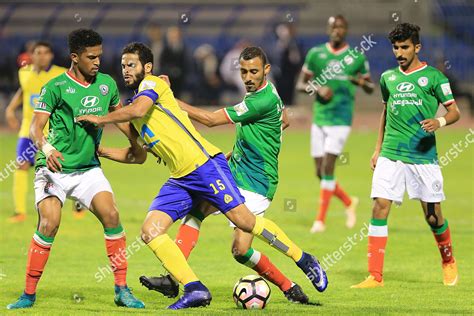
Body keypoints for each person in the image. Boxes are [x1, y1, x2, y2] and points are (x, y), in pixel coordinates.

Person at [77, 42, 328, 310]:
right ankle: (192, 287)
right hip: (186, 175)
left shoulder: (153, 86)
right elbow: (136, 154)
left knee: (243, 230)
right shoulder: (137, 105)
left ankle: (303, 259)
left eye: (132, 65)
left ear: (147, 67)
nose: (247, 77)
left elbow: (206, 119)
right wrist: (100, 150)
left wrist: (100, 118)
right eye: (123, 65)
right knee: (153, 230)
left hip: (228, 172)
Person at [140, 46, 309, 304]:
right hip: (237, 171)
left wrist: (169, 98)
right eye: (243, 72)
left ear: (266, 70)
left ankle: (300, 266)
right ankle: (174, 279)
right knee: (196, 210)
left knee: (241, 250)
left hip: (256, 182)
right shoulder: (269, 92)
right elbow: (284, 118)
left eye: (253, 71)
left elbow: (208, 120)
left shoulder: (261, 99)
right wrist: (244, 149)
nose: (248, 77)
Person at [6, 29, 145, 310]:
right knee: (50, 222)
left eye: (99, 56)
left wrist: (136, 141)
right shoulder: (55, 87)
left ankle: (121, 289)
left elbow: (119, 117)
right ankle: (28, 294)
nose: (97, 62)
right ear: (74, 57)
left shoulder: (106, 84)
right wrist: (46, 148)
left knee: (112, 214)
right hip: (53, 168)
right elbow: (35, 126)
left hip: (87, 170)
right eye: (91, 57)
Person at [351, 23, 460, 289]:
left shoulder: (434, 77)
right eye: (396, 47)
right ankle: (375, 276)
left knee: (433, 216)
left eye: (404, 47)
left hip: (423, 157)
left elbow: (454, 111)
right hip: (391, 153)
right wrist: (377, 149)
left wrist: (440, 123)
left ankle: (448, 261)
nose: (399, 52)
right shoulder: (388, 77)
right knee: (379, 206)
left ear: (417, 47)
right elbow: (385, 113)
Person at [296, 15, 374, 233]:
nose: (336, 30)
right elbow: (300, 84)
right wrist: (317, 88)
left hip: (341, 118)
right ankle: (349, 202)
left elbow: (370, 87)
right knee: (319, 172)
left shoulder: (356, 57)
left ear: (346, 29)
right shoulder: (316, 54)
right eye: (333, 26)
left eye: (340, 26)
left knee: (328, 167)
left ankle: (320, 220)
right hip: (320, 117)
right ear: (328, 29)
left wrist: (360, 82)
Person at [5, 41, 66, 223]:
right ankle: (20, 211)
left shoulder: (60, 74)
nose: (42, 56)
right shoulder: (24, 73)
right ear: (32, 55)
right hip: (28, 129)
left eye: (46, 53)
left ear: (51, 55)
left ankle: (77, 203)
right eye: (38, 52)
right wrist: (10, 108)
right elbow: (25, 90)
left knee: (62, 169)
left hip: (53, 130)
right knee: (22, 165)